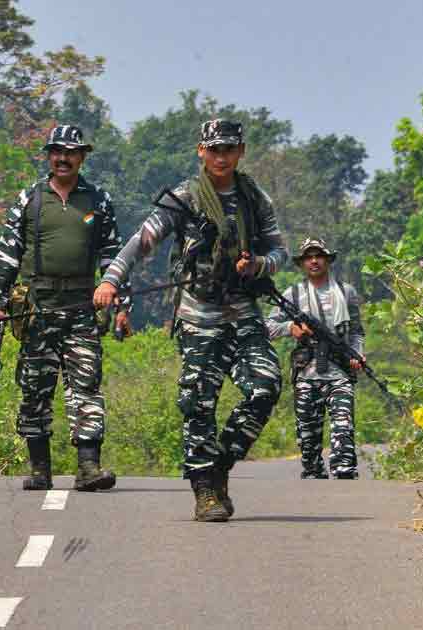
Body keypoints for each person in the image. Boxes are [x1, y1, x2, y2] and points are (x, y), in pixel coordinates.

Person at [94, 119, 289, 522]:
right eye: (214, 149)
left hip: (244, 314)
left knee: (266, 387)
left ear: (241, 152)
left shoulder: (254, 198)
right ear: (201, 151)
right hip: (199, 317)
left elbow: (280, 252)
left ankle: (219, 465)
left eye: (229, 149)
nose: (221, 156)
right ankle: (204, 491)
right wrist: (112, 279)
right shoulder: (185, 198)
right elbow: (141, 242)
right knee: (199, 403)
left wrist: (258, 265)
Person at [0, 124, 131, 492]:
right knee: (34, 388)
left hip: (82, 309)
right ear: (49, 156)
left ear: (82, 157)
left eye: (70, 152)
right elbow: (7, 256)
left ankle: (88, 468)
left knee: (86, 387)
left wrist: (121, 303)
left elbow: (114, 256)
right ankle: (39, 469)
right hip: (39, 309)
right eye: (56, 152)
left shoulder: (98, 201)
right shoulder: (29, 199)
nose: (62, 158)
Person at [265, 238, 365, 480]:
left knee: (343, 427)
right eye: (308, 257)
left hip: (339, 371)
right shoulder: (293, 294)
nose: (314, 261)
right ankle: (313, 472)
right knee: (308, 438)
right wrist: (291, 327)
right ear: (302, 264)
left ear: (327, 260)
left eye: (318, 255)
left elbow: (356, 331)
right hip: (307, 373)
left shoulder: (346, 292)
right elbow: (268, 326)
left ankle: (344, 473)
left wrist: (358, 355)